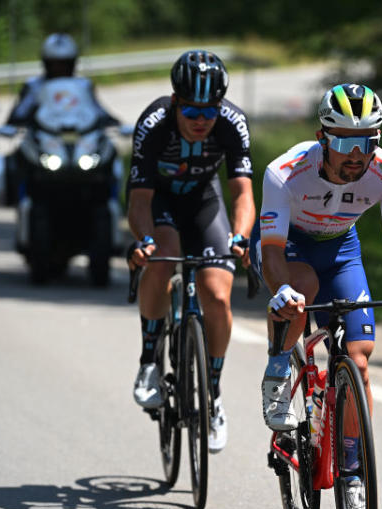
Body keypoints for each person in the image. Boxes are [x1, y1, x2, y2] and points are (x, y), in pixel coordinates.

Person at [250, 83, 382, 509]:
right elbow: (270, 251)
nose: (355, 156)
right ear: (322, 137)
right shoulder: (285, 171)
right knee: (303, 285)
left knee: (360, 360)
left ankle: (353, 477)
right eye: (344, 142)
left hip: (341, 248)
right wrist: (282, 290)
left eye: (365, 143)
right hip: (286, 246)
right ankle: (277, 371)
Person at [126, 50, 255, 454]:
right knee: (162, 262)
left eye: (209, 111)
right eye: (192, 111)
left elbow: (243, 194)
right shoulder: (153, 123)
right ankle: (149, 360)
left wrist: (240, 236)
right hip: (160, 203)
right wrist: (144, 240)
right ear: (175, 101)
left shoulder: (232, 124)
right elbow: (139, 201)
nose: (201, 120)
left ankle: (212, 396)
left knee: (217, 294)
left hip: (204, 202)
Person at [0, 33, 119, 205]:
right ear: (46, 63)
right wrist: (16, 125)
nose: (60, 68)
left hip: (79, 144)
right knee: (19, 157)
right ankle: (19, 200)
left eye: (64, 63)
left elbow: (98, 111)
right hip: (45, 142)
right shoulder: (34, 86)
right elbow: (18, 114)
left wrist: (115, 123)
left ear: (73, 63)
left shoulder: (83, 85)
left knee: (109, 154)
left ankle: (113, 201)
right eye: (55, 63)